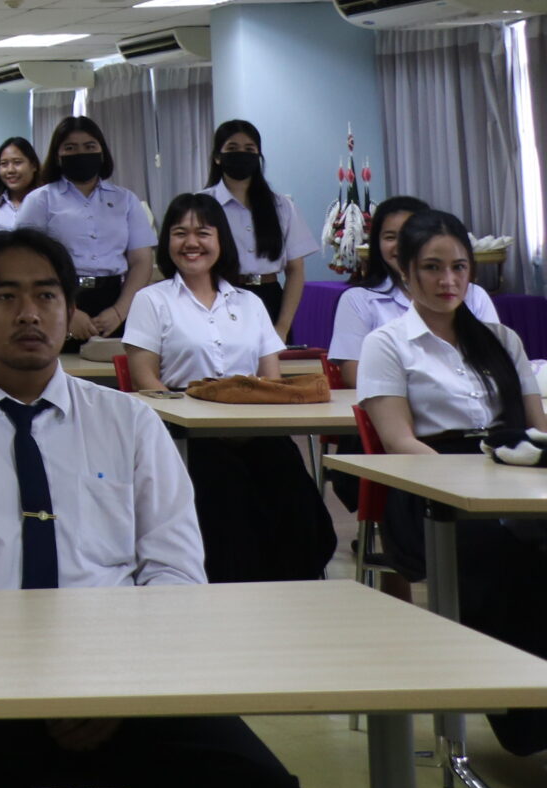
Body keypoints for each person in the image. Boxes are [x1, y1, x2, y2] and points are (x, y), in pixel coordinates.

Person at [0, 228, 311, 788]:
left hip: (126, 680)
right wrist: (30, 686)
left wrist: (116, 682)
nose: (29, 313)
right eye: (5, 296)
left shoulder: (130, 421)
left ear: (70, 310)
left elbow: (176, 574)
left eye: (47, 295)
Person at [356, 208, 547, 754]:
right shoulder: (388, 343)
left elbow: (537, 428)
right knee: (502, 560)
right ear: (405, 271)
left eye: (459, 267)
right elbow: (400, 442)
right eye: (432, 267)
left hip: (510, 477)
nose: (448, 281)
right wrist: (473, 486)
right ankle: (530, 723)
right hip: (430, 494)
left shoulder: (501, 339)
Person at [121, 194, 332, 586]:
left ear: (221, 240)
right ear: (167, 242)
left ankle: (293, 590)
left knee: (295, 496)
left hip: (253, 425)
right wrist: (191, 418)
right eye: (180, 233)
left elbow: (270, 381)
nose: (191, 242)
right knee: (226, 495)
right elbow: (144, 380)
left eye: (203, 232)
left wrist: (248, 422)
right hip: (187, 432)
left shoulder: (250, 303)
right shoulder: (151, 300)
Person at [330, 194, 502, 386]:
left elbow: (496, 365)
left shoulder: (474, 295)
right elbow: (355, 375)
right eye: (390, 237)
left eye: (409, 235)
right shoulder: (358, 299)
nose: (401, 245)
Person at [13, 115, 155, 342]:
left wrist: (120, 311)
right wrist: (67, 310)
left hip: (115, 301)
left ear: (102, 153)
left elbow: (141, 261)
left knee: (114, 364)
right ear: (58, 156)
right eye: (70, 148)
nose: (81, 153)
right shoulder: (40, 200)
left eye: (89, 146)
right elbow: (25, 261)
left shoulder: (126, 200)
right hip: (57, 298)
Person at [205, 119, 310, 341]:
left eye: (249, 149)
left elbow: (295, 271)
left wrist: (282, 326)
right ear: (217, 157)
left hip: (270, 297)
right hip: (219, 296)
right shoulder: (202, 204)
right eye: (232, 148)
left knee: (273, 364)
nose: (241, 154)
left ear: (258, 157)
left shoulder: (282, 206)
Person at [0, 135, 39, 233]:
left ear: (33, 165)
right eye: (4, 164)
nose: (10, 170)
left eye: (17, 162)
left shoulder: (46, 203)